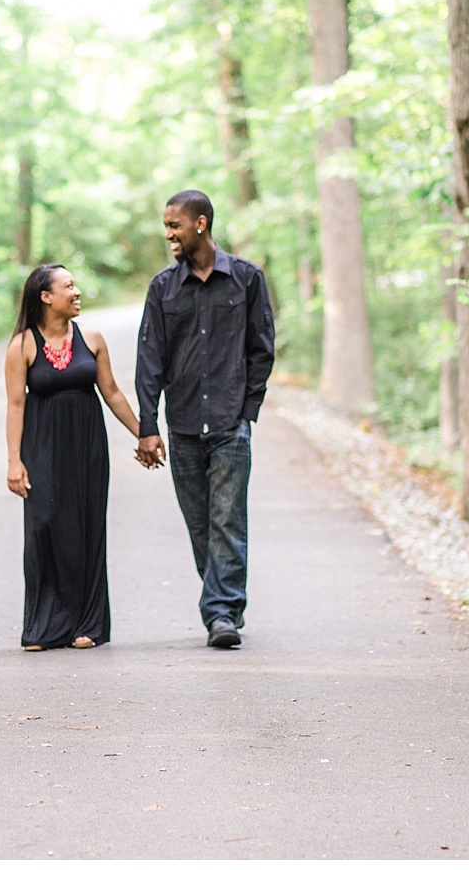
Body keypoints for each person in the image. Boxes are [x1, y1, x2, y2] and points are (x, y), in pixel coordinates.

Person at [135, 190, 275, 649]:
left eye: (174, 226)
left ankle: (222, 613)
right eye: (166, 227)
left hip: (230, 425)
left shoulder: (247, 279)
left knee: (227, 521)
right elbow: (150, 357)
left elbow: (262, 349)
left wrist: (246, 411)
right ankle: (220, 602)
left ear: (201, 223)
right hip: (184, 426)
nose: (168, 235)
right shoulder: (163, 289)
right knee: (201, 524)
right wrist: (148, 424)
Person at [4, 263, 145, 651]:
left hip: (87, 449)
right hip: (42, 447)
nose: (77, 291)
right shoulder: (22, 345)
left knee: (86, 528)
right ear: (46, 297)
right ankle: (43, 627)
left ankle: (88, 624)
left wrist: (144, 434)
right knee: (44, 527)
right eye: (68, 286)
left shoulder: (92, 337)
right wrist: (14, 461)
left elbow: (112, 393)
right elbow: (16, 405)